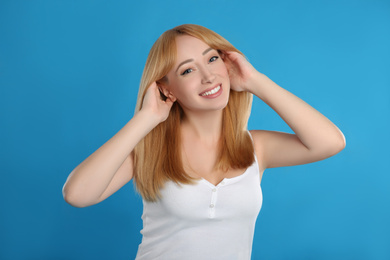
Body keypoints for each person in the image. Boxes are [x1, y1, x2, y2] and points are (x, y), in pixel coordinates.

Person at [62, 24, 346, 259]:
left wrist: (254, 80)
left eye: (212, 59)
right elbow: (77, 194)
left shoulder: (255, 148)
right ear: (166, 88)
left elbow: (330, 142)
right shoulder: (150, 150)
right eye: (188, 70)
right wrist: (146, 118)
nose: (209, 76)